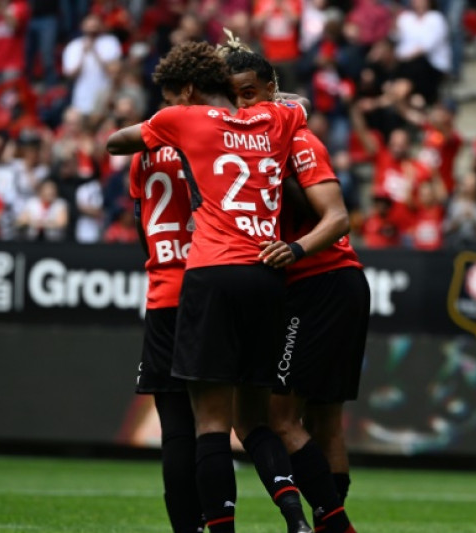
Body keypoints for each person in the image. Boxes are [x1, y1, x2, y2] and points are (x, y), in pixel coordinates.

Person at [105, 41, 312, 533]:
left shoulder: (162, 141)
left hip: (176, 288)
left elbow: (132, 189)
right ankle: (299, 513)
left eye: (172, 95)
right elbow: (298, 108)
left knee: (183, 430)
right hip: (240, 276)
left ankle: (193, 529)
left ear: (187, 91)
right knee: (248, 421)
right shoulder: (253, 130)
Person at [219, 35, 362, 533]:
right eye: (234, 95)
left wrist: (297, 249)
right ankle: (329, 521)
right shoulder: (242, 138)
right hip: (325, 282)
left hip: (319, 280)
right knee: (324, 421)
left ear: (272, 87)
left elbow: (338, 218)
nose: (243, 103)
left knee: (280, 417)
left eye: (252, 92)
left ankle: (334, 525)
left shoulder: (296, 138)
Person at [127, 146, 203, 533]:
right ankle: (221, 519)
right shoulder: (212, 131)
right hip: (209, 288)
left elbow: (141, 222)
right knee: (215, 423)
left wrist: (161, 260)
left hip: (163, 291)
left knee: (174, 427)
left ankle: (185, 528)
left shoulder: (142, 150)